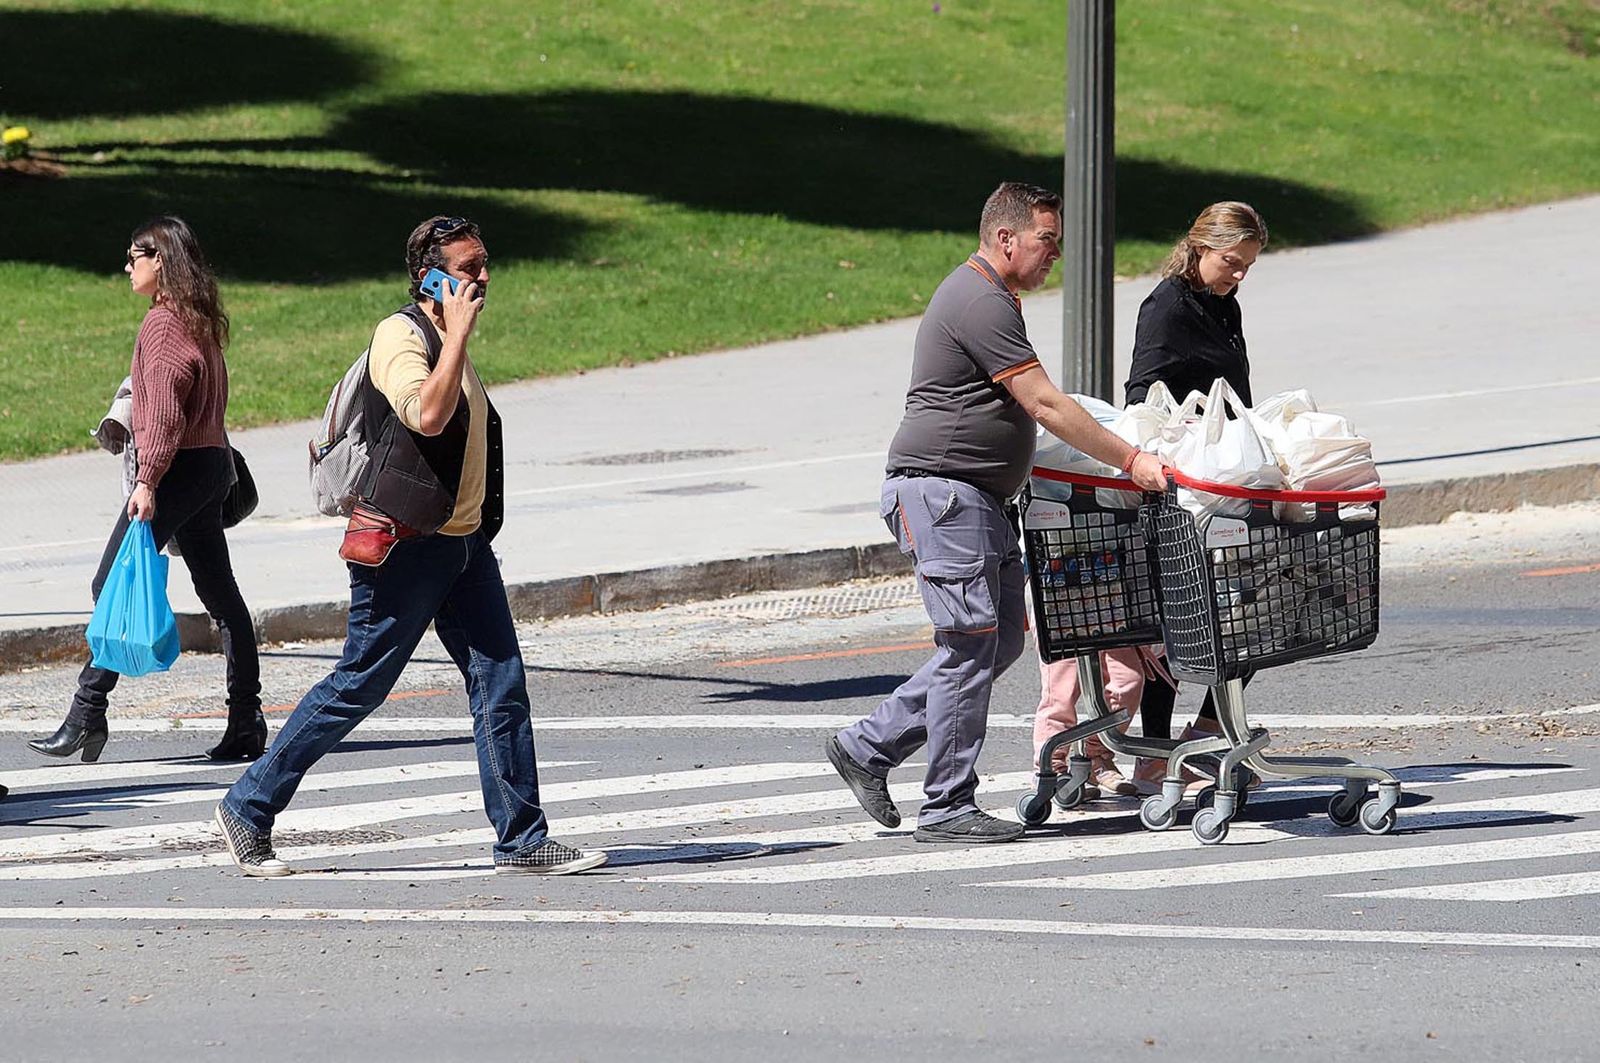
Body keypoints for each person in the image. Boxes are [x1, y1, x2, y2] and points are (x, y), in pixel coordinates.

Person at [214, 215, 605, 878]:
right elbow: (425, 413)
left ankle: (521, 836)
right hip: (406, 547)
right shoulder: (401, 336)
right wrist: (456, 336)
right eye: (468, 268)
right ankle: (248, 806)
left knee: (500, 682)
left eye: (484, 263)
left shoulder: (448, 335)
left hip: (462, 545)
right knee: (358, 685)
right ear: (430, 278)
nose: (482, 277)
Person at [826, 182, 1167, 844]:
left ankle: (867, 746)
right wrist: (1129, 460)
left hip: (973, 499)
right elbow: (1044, 402)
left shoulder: (992, 296)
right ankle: (948, 803)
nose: (1055, 255)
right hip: (944, 494)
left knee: (1000, 639)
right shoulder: (980, 297)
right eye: (1048, 240)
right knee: (971, 643)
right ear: (1005, 237)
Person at [28, 217, 264, 764]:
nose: (127, 266)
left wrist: (147, 480)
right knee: (222, 596)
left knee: (111, 581)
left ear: (161, 259)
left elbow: (161, 412)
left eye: (134, 256)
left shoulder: (161, 324)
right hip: (211, 467)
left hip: (177, 468)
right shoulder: (198, 319)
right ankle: (246, 719)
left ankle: (87, 714)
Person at [1125, 200, 1268, 784]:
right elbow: (1142, 394)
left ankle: (1206, 731)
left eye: (1248, 267)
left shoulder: (1221, 303)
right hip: (1184, 484)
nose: (1239, 275)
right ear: (1202, 248)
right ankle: (1158, 750)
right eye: (1231, 262)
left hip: (1223, 479)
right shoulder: (1166, 307)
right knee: (1180, 616)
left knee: (1251, 609)